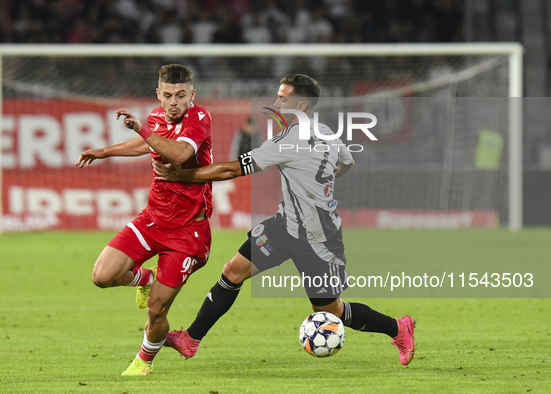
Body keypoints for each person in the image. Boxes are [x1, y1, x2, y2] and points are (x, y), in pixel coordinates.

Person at [154, 74, 416, 366]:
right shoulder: (328, 132)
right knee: (233, 271)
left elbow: (231, 170)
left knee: (333, 312)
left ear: (301, 105)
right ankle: (191, 339)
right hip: (284, 226)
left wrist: (181, 176)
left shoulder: (287, 141)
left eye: (283, 98)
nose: (276, 103)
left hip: (318, 240)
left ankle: (398, 328)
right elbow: (347, 161)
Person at [74, 64, 213, 376]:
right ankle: (146, 278)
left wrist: (142, 129)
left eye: (180, 95)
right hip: (153, 219)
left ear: (192, 94)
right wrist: (105, 151)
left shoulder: (199, 119)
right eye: (167, 95)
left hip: (188, 232)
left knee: (157, 309)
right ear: (158, 94)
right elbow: (146, 143)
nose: (174, 101)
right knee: (102, 276)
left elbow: (178, 153)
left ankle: (144, 361)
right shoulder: (154, 117)